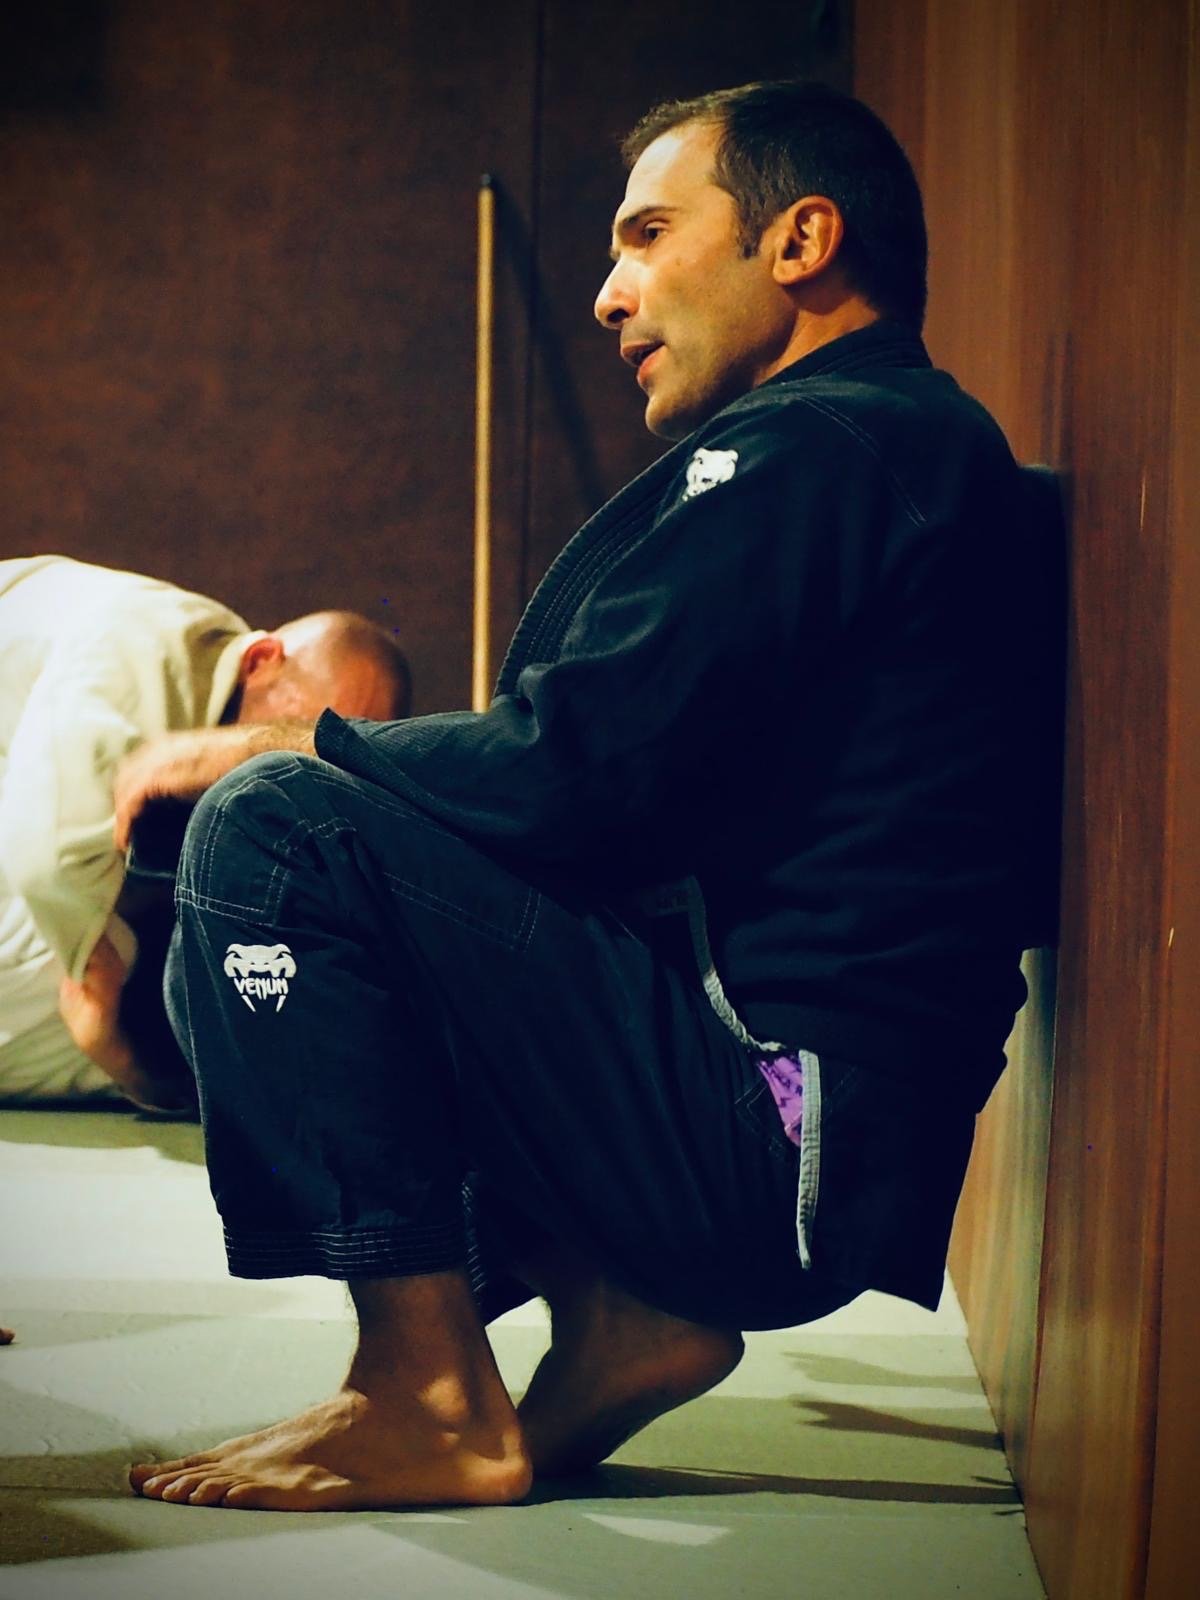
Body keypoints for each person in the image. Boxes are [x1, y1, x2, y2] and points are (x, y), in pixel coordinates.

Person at [118, 81, 1061, 1512]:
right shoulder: (875, 448)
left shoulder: (833, 445)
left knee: (278, 829)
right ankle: (619, 1309)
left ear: (801, 241)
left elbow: (577, 772)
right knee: (279, 886)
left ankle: (427, 1397)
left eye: (648, 235)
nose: (612, 295)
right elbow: (620, 781)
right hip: (793, 1125)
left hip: (774, 1130)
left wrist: (295, 748)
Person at [0, 555, 410, 1109]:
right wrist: (102, 977)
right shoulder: (141, 638)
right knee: (91, 976)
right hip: (39, 860)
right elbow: (48, 862)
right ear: (261, 660)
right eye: (295, 734)